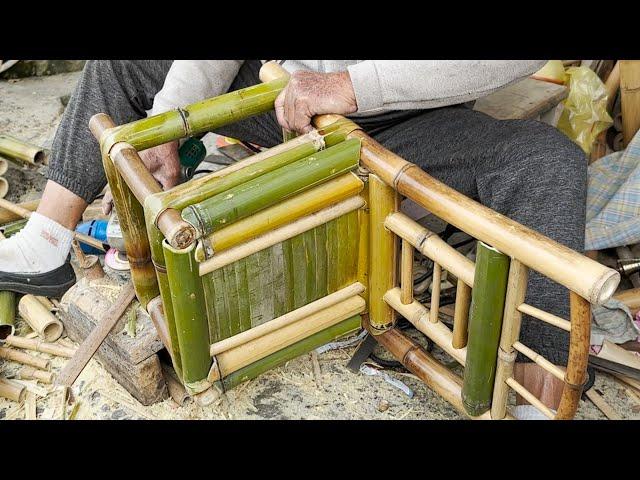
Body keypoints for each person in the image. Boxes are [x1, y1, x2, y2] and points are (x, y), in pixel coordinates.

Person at [0, 60, 587, 415]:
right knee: (124, 63)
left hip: (409, 114)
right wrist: (169, 118)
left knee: (548, 164)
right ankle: (48, 241)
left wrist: (355, 86)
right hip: (288, 99)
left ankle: (537, 395)